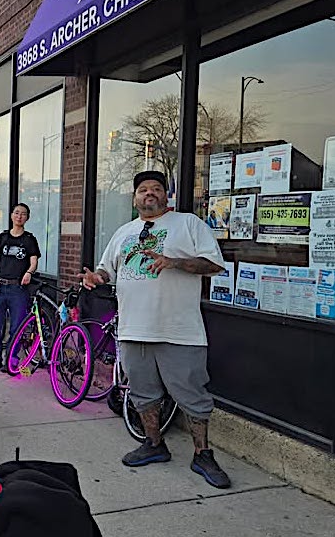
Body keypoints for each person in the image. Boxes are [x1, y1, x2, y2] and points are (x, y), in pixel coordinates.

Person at [80, 170, 230, 489]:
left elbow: (214, 265)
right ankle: (154, 444)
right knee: (143, 393)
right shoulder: (124, 232)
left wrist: (174, 261)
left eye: (157, 189)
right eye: (143, 189)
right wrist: (97, 278)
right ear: (135, 198)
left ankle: (203, 454)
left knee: (192, 393)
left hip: (179, 329)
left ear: (166, 195)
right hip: (134, 329)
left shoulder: (188, 224)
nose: (150, 193)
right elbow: (108, 268)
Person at [0, 203, 41, 371]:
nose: (19, 216)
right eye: (16, 213)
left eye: (23, 214)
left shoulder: (29, 240)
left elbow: (34, 261)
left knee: (17, 326)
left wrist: (29, 272)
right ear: (11, 215)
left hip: (18, 289)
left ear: (27, 218)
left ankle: (11, 358)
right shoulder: (2, 238)